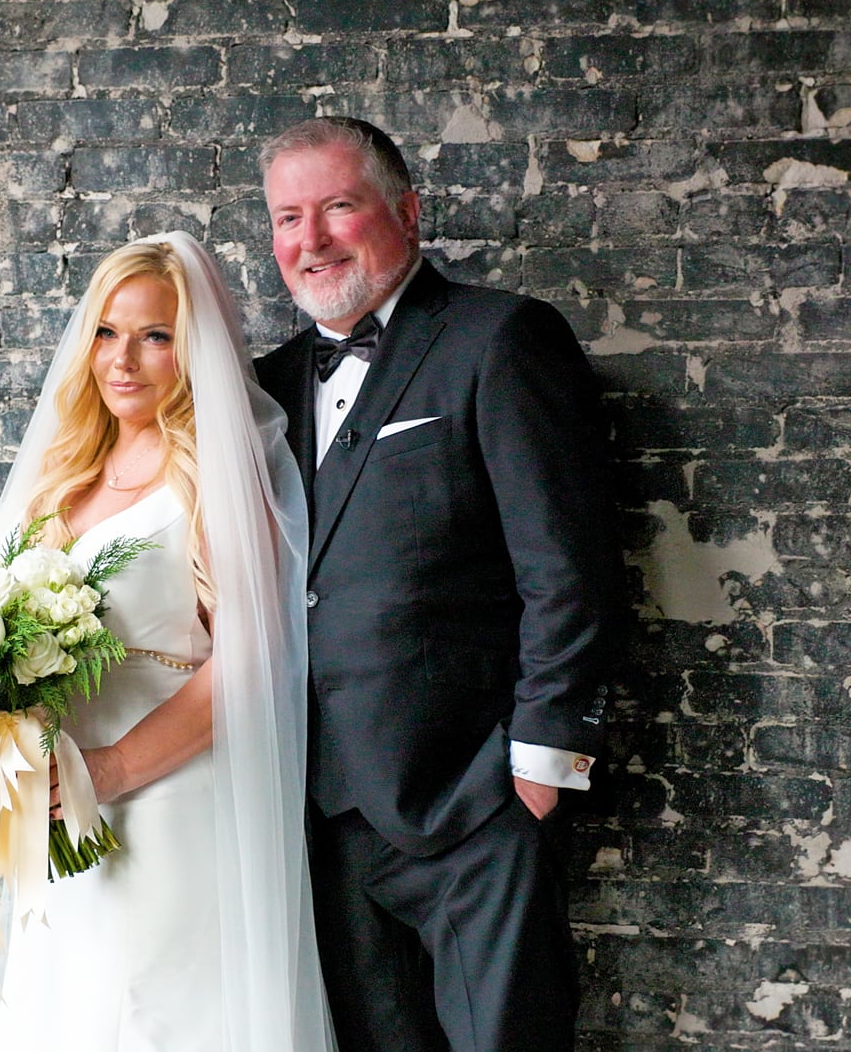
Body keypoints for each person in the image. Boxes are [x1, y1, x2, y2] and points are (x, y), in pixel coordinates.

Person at [252, 117, 622, 1052]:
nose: (312, 239)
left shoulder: (500, 338)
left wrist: (538, 771)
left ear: (408, 212)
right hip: (319, 814)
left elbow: (567, 567)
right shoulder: (261, 388)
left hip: (474, 801)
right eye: (289, 218)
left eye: (339, 207)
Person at [0, 232, 336, 1052]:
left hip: (166, 800)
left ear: (194, 350)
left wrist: (109, 769)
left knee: (151, 1015)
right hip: (59, 808)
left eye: (155, 336)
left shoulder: (212, 477)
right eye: (107, 332)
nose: (123, 359)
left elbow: (251, 663)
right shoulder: (61, 476)